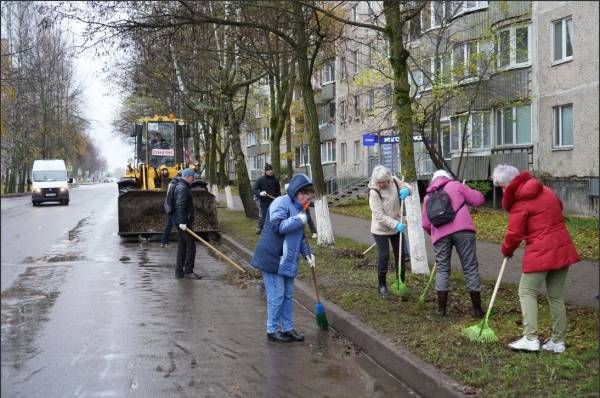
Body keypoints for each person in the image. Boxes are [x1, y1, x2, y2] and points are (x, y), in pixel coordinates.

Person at [492, 165, 580, 353]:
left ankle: (530, 338)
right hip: (562, 247)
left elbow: (514, 234)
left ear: (507, 185)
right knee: (556, 295)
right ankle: (558, 342)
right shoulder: (546, 190)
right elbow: (559, 208)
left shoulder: (520, 202)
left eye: (500, 187)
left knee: (526, 291)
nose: (501, 190)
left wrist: (506, 250)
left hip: (541, 251)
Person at [251, 173, 315, 342]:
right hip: (272, 257)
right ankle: (272, 329)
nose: (306, 197)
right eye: (303, 194)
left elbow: (300, 236)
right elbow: (278, 226)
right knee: (277, 295)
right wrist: (298, 219)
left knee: (287, 295)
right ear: (295, 192)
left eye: (308, 194)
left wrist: (308, 253)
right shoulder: (280, 203)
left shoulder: (301, 208)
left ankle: (288, 328)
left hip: (287, 258)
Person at [422, 170, 485, 318]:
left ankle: (441, 310)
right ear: (447, 178)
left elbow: (425, 223)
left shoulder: (428, 197)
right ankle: (477, 310)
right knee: (470, 267)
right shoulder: (456, 185)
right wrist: (467, 189)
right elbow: (478, 200)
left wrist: (436, 234)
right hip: (463, 231)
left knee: (442, 269)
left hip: (440, 235)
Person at [368, 165, 411, 298]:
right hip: (381, 229)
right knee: (384, 255)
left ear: (388, 179)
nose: (381, 184)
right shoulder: (374, 192)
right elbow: (379, 216)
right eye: (379, 182)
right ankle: (382, 285)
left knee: (401, 256)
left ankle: (400, 283)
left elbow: (408, 187)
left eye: (383, 182)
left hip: (397, 225)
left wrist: (407, 191)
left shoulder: (394, 181)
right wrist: (396, 224)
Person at [174, 168, 202, 279]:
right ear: (187, 176)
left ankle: (179, 271)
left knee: (182, 245)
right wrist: (182, 222)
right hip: (183, 222)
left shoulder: (181, 186)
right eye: (193, 177)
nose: (194, 179)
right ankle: (188, 271)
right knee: (191, 246)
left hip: (181, 221)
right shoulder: (182, 188)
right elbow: (180, 205)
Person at [253, 163, 281, 234]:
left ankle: (272, 230)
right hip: (264, 202)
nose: (270, 171)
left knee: (273, 217)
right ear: (265, 171)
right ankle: (263, 230)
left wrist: (278, 199)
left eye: (271, 170)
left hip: (274, 202)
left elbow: (278, 191)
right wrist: (260, 193)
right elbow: (254, 189)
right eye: (268, 170)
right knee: (264, 217)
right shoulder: (260, 180)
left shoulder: (276, 180)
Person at [160, 170, 181, 248]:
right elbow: (172, 198)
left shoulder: (172, 183)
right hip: (172, 208)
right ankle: (182, 242)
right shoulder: (174, 184)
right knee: (177, 224)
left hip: (169, 207)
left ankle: (163, 242)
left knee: (169, 225)